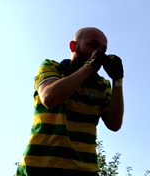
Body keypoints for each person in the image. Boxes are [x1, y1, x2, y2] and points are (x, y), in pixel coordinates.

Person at [15, 27, 124, 176]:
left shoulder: (102, 85)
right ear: (73, 46)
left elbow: (114, 124)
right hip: (39, 168)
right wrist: (89, 67)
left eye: (103, 50)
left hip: (84, 170)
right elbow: (49, 97)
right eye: (93, 45)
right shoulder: (52, 67)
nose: (99, 53)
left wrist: (117, 80)